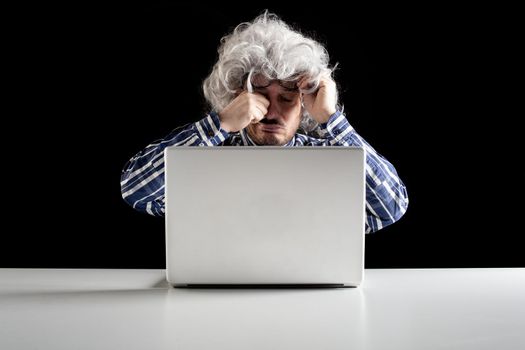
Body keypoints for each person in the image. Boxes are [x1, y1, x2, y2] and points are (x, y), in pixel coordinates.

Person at [120, 12, 408, 233]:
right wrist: (219, 123)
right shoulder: (201, 159)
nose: (271, 112)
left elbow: (390, 207)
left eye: (286, 98)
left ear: (304, 105)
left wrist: (331, 120)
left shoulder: (329, 162)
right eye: (259, 96)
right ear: (236, 96)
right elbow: (134, 189)